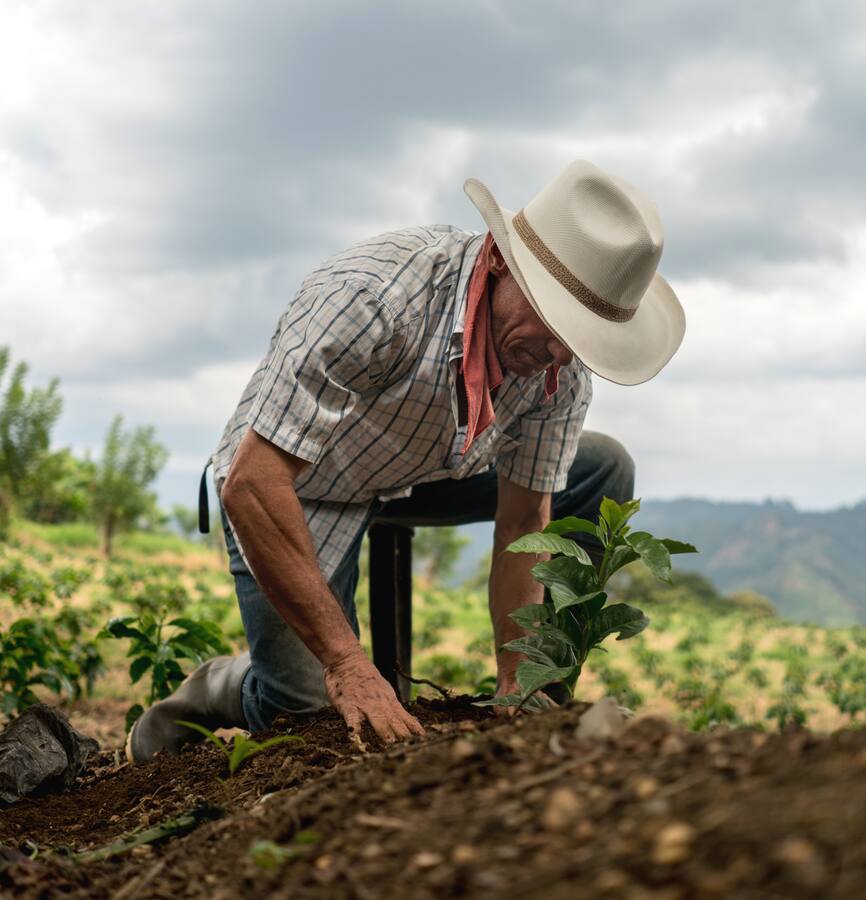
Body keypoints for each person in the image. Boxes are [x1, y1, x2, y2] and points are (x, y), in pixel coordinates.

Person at [128, 159, 686, 762]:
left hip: (427, 469)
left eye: (578, 338)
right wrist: (346, 663)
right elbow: (253, 482)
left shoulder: (557, 367)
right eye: (553, 323)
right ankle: (223, 686)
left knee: (604, 468)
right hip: (300, 482)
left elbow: (526, 522)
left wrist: (517, 679)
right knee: (309, 713)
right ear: (500, 260)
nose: (558, 354)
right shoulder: (373, 299)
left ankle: (539, 696)